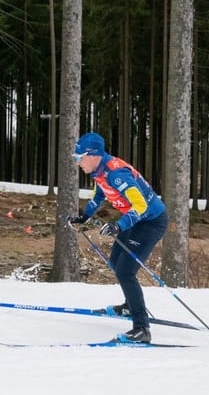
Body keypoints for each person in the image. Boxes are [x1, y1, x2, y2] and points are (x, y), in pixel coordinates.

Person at [70, 132, 168, 343]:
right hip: (134, 220)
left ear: (93, 154)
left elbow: (140, 205)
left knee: (126, 270)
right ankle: (130, 307)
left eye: (80, 157)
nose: (77, 162)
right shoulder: (99, 171)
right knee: (115, 261)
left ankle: (142, 329)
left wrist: (118, 225)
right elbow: (99, 195)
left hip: (150, 221)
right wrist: (83, 217)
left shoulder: (116, 174)